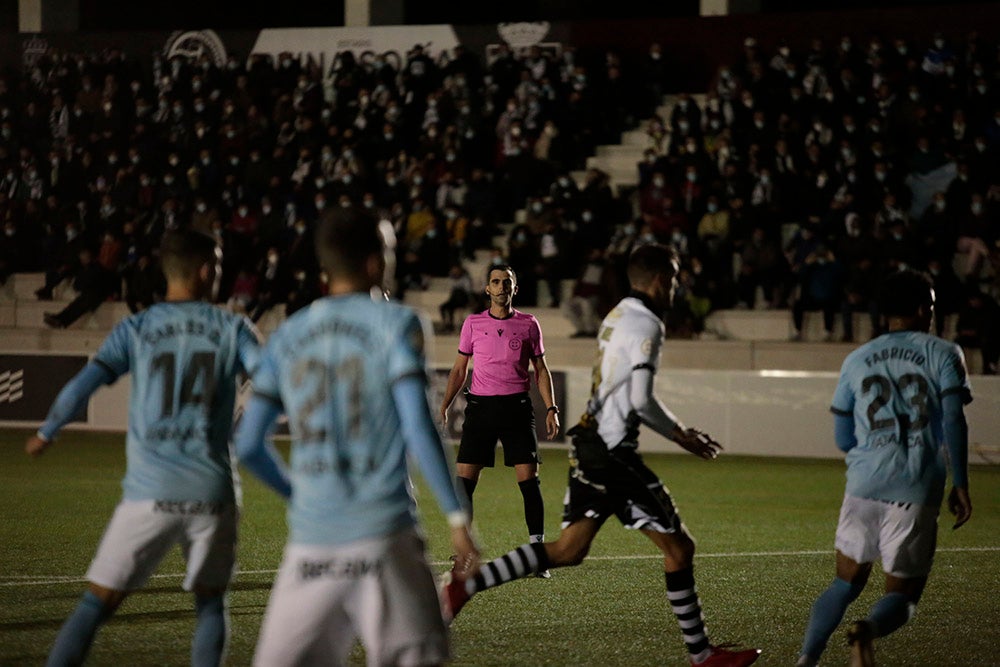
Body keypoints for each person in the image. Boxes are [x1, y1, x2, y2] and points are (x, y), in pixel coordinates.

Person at [440, 244, 761, 667]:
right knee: (680, 548)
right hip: (611, 451)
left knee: (569, 550)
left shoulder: (618, 313)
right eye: (676, 276)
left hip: (589, 443)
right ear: (661, 279)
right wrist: (681, 434)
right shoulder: (647, 323)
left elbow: (550, 370)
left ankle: (466, 585)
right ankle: (702, 656)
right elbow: (641, 399)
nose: (677, 285)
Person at [234, 207, 479, 666]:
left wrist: (300, 495)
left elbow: (248, 445)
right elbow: (419, 427)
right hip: (383, 537)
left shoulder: (289, 334)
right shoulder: (397, 323)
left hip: (310, 546)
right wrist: (458, 520)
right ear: (373, 262)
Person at [25, 229, 262, 667]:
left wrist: (48, 431)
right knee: (210, 605)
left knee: (96, 605)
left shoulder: (136, 327)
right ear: (208, 270)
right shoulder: (233, 328)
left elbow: (82, 386)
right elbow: (274, 383)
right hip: (212, 491)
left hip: (148, 493)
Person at [796, 269, 973, 667]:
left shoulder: (857, 357)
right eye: (929, 304)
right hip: (914, 486)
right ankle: (867, 631)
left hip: (862, 484)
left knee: (844, 582)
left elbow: (843, 436)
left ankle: (806, 658)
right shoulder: (944, 353)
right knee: (902, 597)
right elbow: (953, 421)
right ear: (920, 309)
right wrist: (960, 483)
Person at [439, 264, 560, 576]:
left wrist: (551, 408)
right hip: (480, 409)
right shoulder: (473, 323)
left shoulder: (529, 324)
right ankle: (463, 553)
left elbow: (540, 369)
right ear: (487, 289)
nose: (501, 286)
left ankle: (537, 555)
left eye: (507, 281)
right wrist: (445, 405)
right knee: (464, 481)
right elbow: (459, 369)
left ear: (514, 289)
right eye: (495, 282)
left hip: (517, 409)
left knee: (529, 481)